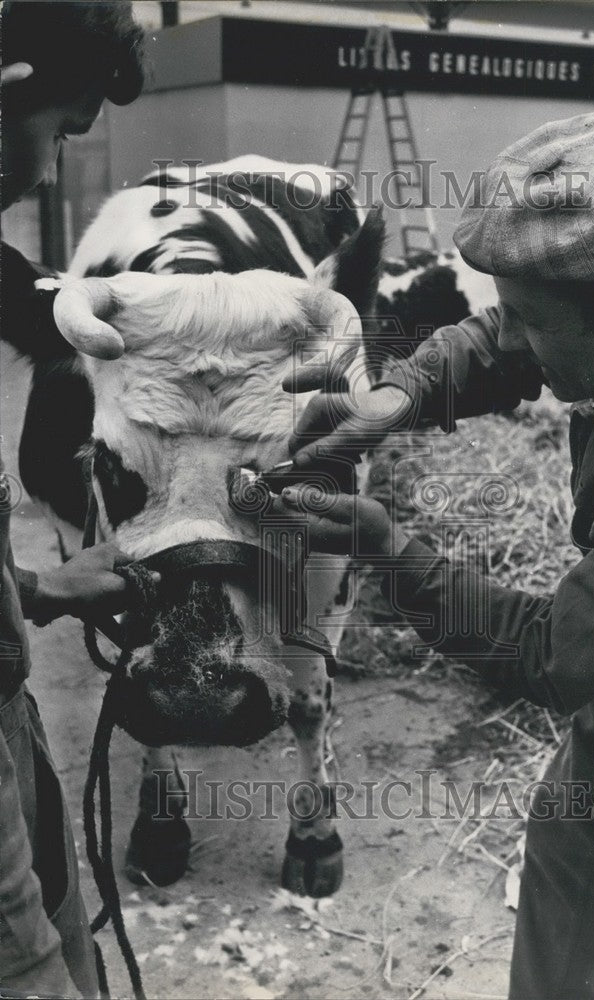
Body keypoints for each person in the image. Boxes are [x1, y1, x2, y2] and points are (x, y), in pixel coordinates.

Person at [266, 110, 594, 1000]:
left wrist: (390, 553)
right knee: (570, 850)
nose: (511, 334)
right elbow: (501, 340)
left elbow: (547, 653)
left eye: (531, 320)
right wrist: (399, 388)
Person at [1, 4, 145, 994]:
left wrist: (49, 589)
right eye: (61, 129)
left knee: (67, 929)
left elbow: (45, 305)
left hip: (12, 705)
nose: (54, 167)